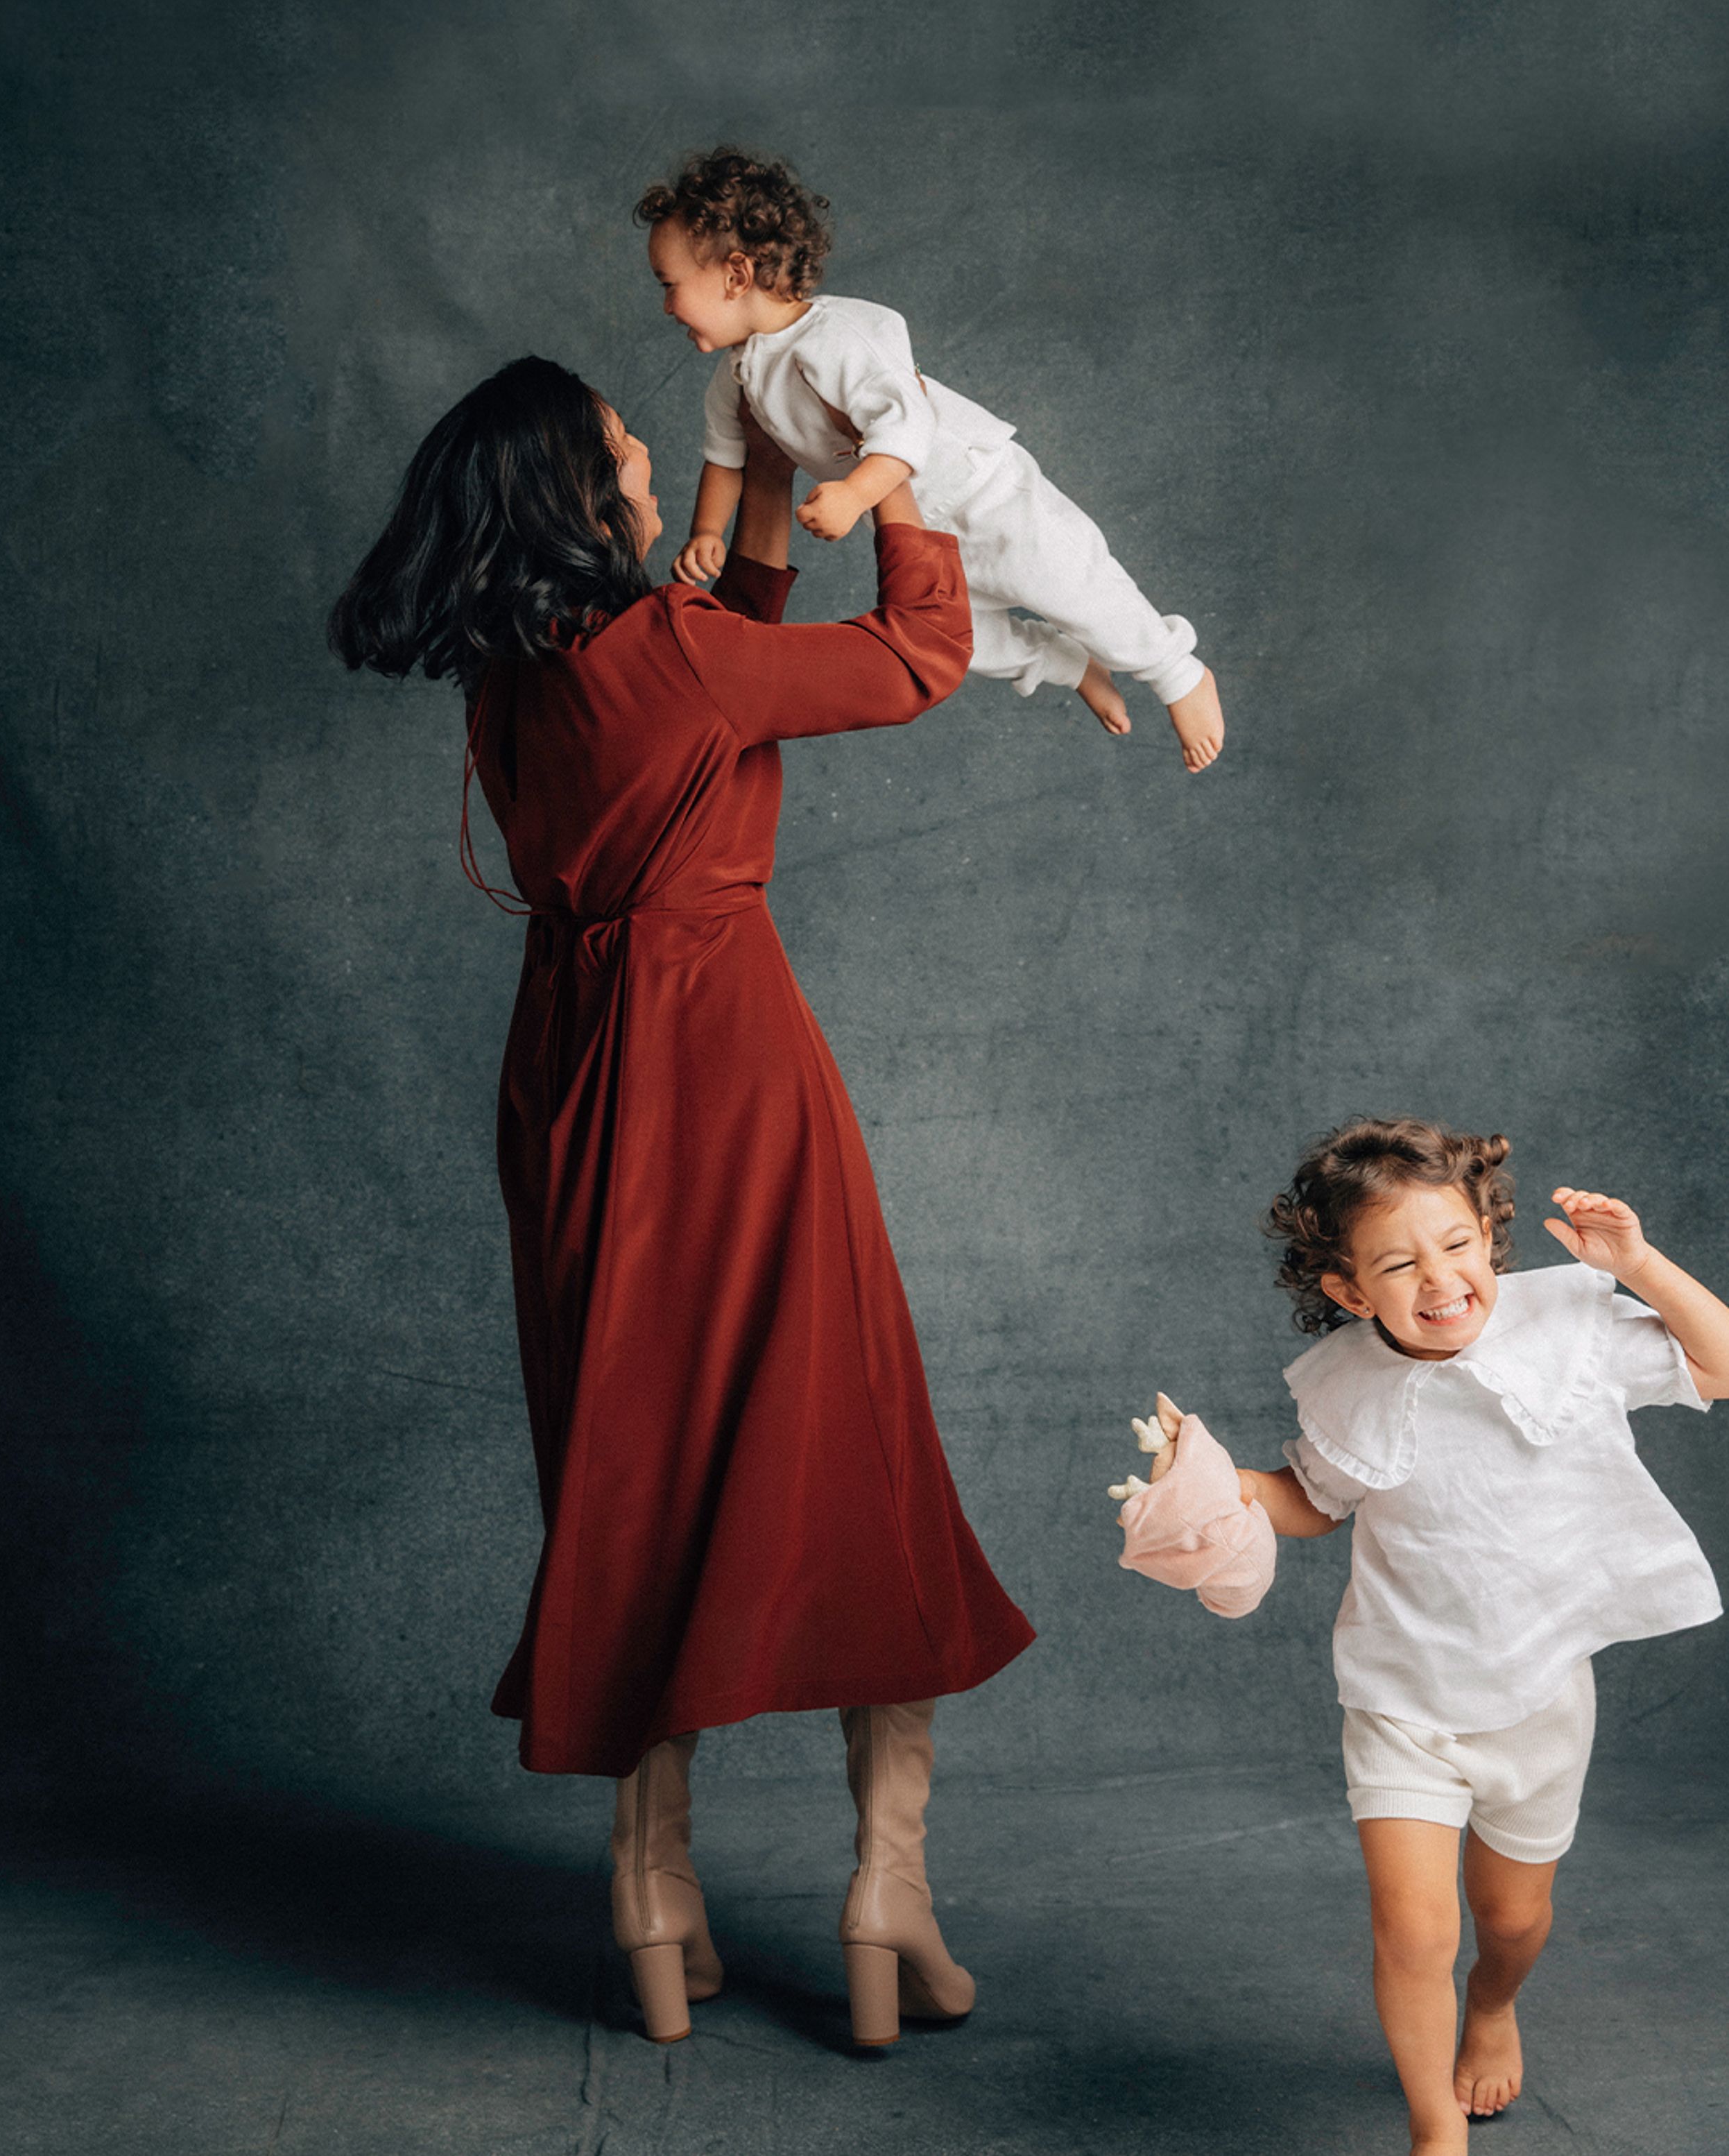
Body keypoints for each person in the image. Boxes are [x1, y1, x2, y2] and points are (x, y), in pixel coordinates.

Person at [329, 356, 1033, 2051]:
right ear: (577, 494)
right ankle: (891, 1887)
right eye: (628, 448)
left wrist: (764, 474)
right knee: (850, 1440)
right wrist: (904, 481)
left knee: (628, 1456)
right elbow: (912, 660)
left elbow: (722, 643)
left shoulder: (517, 679)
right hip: (721, 1056)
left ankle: (652, 1898)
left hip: (573, 1078)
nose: (651, 456)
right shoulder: (683, 657)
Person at [1126, 1118, 1727, 2154]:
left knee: (1510, 1925)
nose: (1440, 1278)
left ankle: (1492, 2006)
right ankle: (1433, 2125)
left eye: (1457, 1244)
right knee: (1414, 1931)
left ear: (1492, 1237)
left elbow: (1720, 1366)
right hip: (1402, 1698)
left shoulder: (1564, 1331)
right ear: (1353, 1292)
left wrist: (1635, 1264)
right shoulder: (1345, 1382)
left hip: (1538, 1698)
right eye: (1399, 1264)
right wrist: (1212, 1479)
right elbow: (1316, 1501)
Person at [636, 146, 1227, 769]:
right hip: (923, 529)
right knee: (963, 641)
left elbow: (906, 424)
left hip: (982, 493)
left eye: (669, 285)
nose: (667, 306)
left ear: (734, 275)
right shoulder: (736, 376)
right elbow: (726, 457)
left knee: (1076, 584)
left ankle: (1178, 673)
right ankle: (1066, 664)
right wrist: (707, 532)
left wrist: (856, 493)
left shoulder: (838, 337)